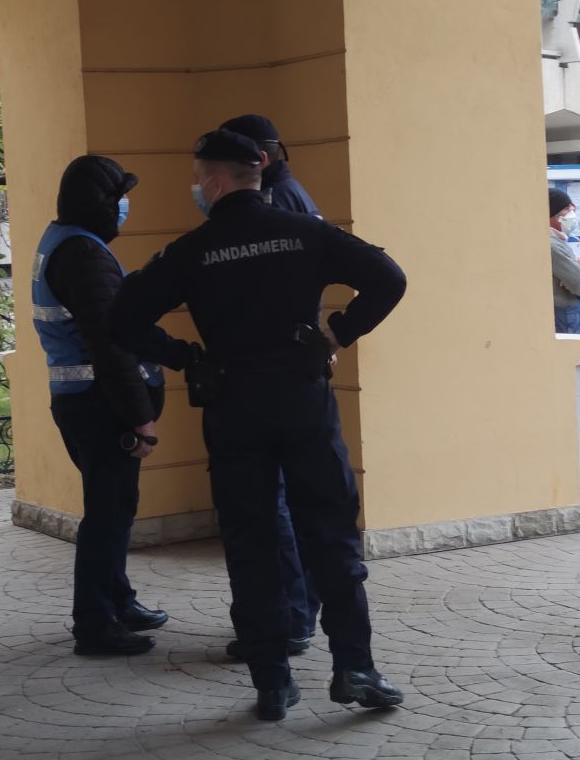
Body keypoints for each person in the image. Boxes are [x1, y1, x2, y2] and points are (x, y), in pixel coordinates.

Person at [111, 130, 407, 721]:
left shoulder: (192, 249)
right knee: (331, 536)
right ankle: (355, 668)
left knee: (251, 543)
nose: (195, 188)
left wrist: (185, 357)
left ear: (216, 181)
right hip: (303, 402)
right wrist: (337, 333)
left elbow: (121, 318)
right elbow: (389, 278)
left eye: (197, 178)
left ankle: (272, 683)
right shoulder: (308, 233)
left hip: (234, 407)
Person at [34, 155, 190, 656]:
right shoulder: (84, 254)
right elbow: (111, 344)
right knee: (107, 515)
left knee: (116, 509)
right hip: (100, 407)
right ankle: (96, 624)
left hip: (82, 402)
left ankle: (119, 601)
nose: (125, 206)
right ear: (100, 202)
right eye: (120, 197)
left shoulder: (65, 240)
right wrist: (141, 418)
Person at [216, 114, 321, 661]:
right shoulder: (292, 195)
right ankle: (297, 613)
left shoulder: (275, 203)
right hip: (293, 371)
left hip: (272, 376)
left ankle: (289, 621)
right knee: (291, 503)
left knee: (272, 507)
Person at [220, 113, 321, 218]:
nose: (222, 168)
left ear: (260, 159)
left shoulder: (271, 200)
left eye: (228, 159)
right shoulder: (286, 188)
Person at [549, 188, 580, 334]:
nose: (572, 213)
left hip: (568, 314)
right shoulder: (552, 245)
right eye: (567, 208)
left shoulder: (558, 240)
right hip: (567, 316)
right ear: (552, 214)